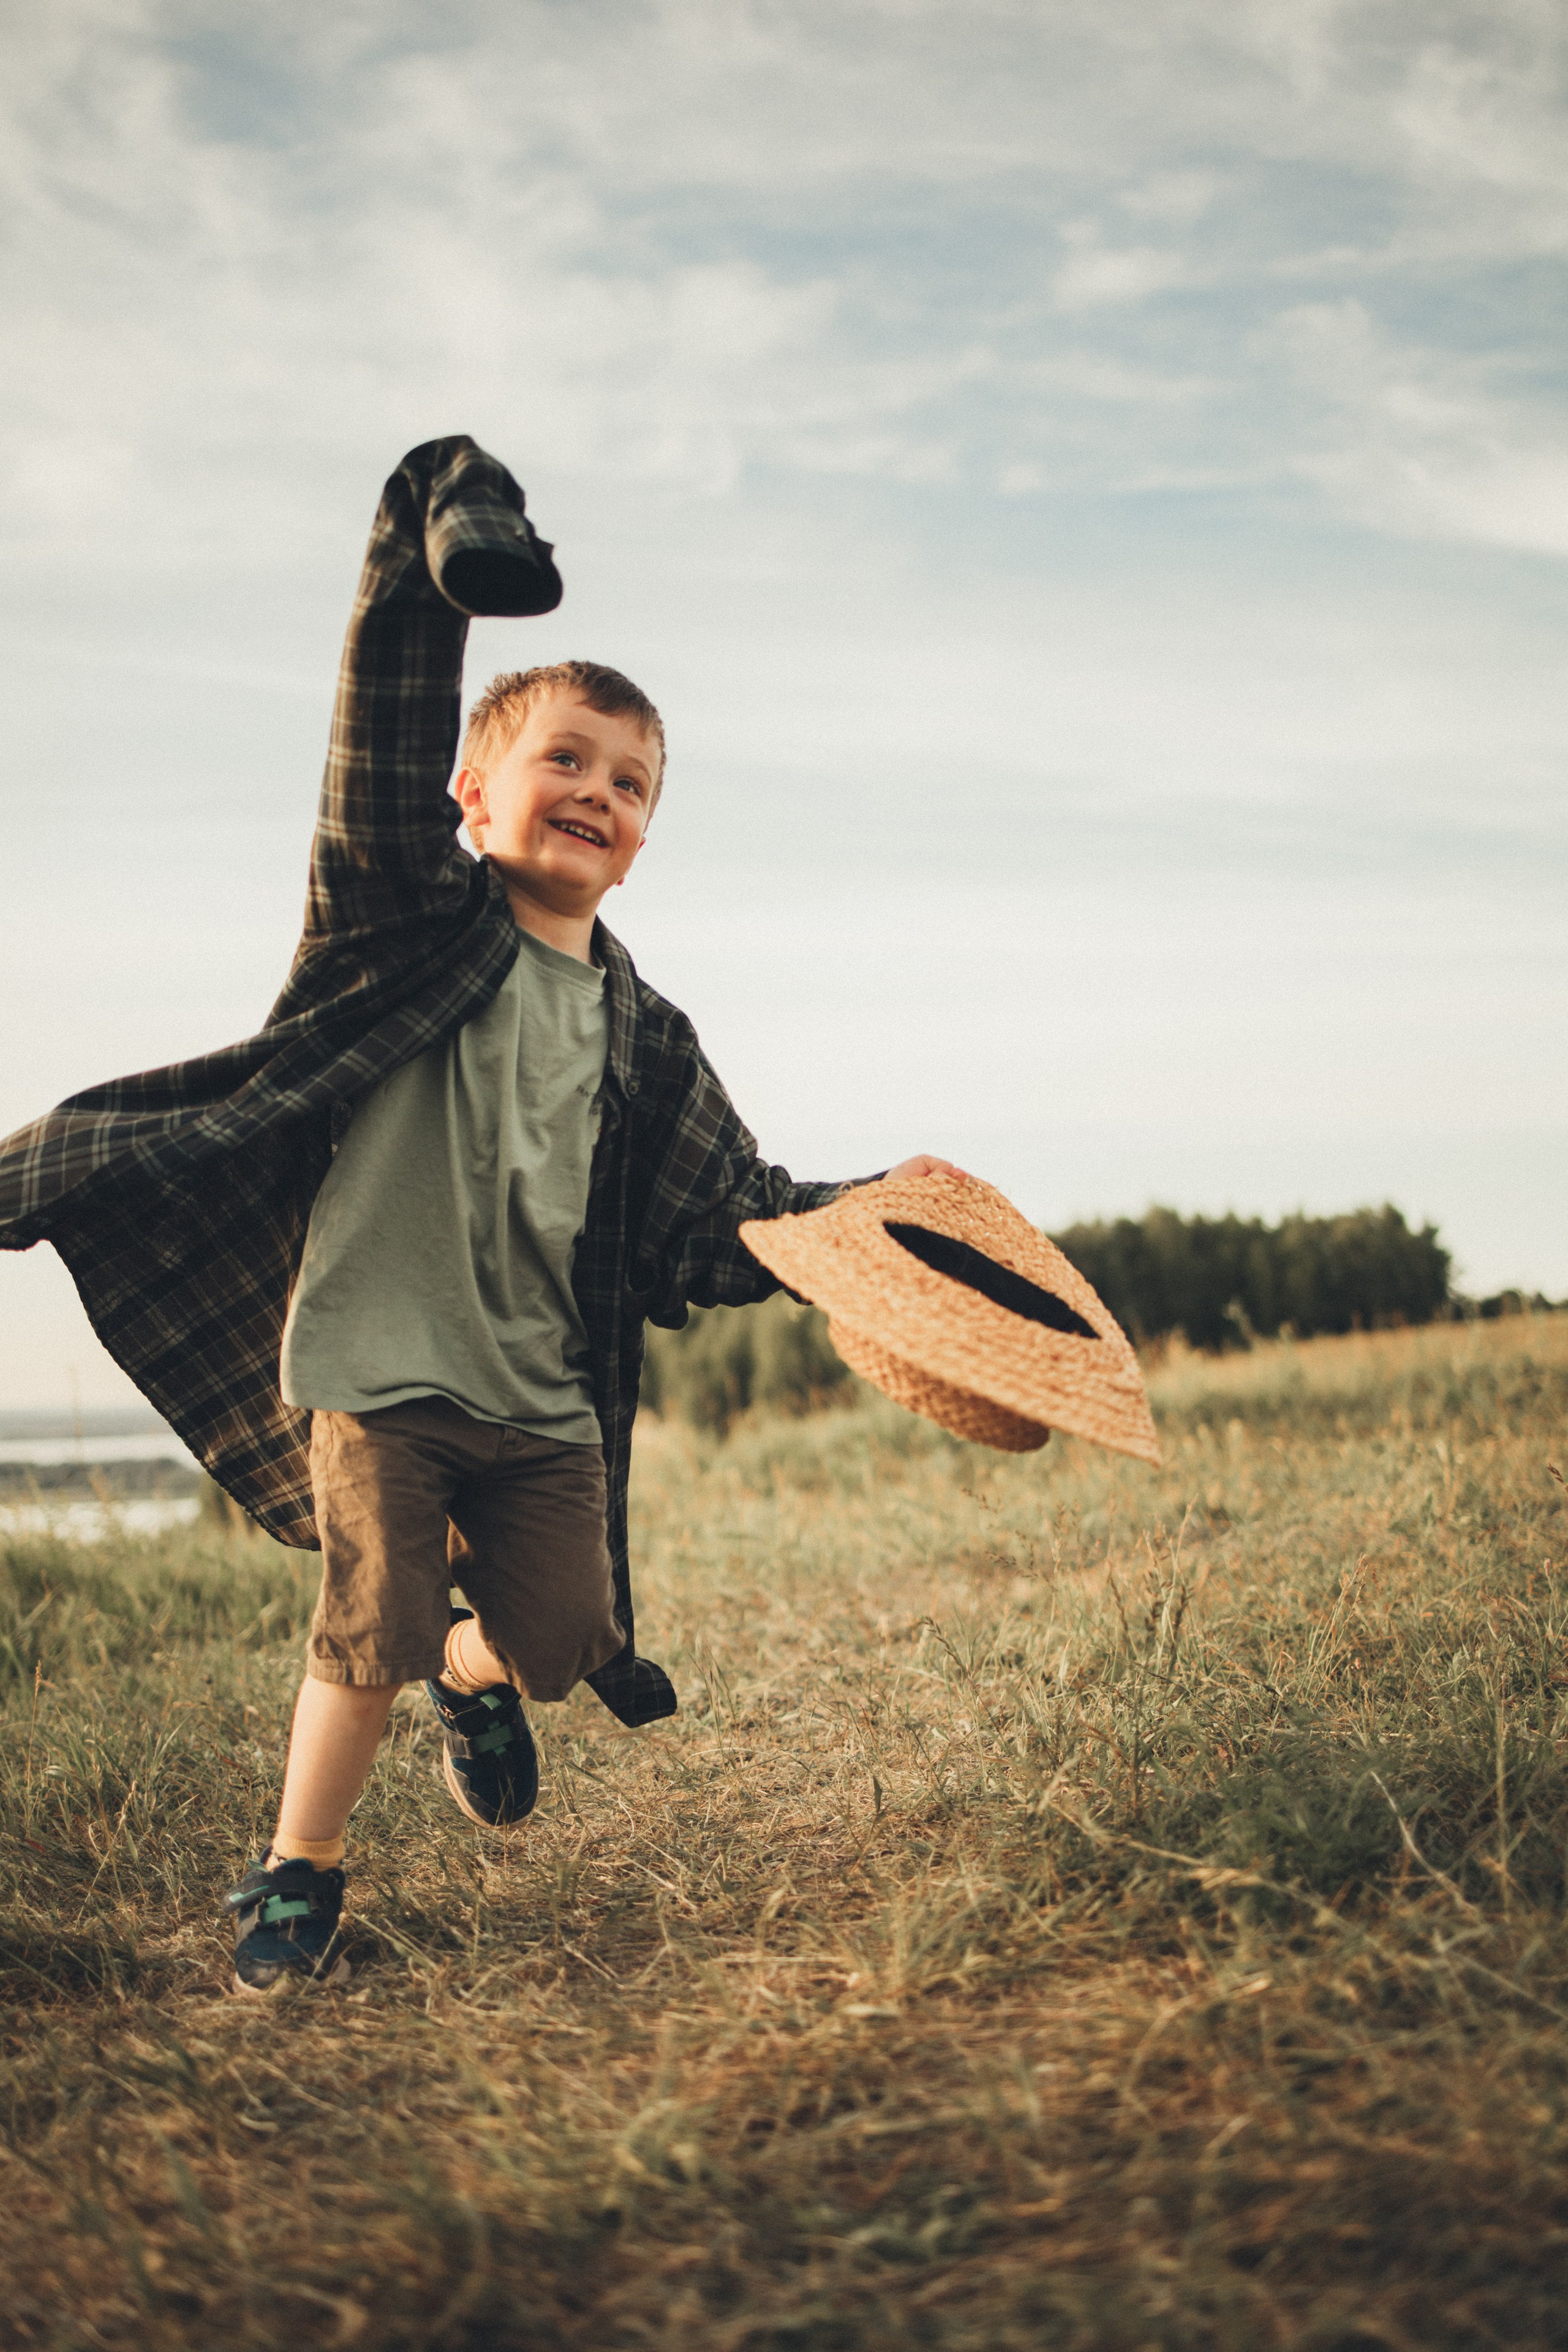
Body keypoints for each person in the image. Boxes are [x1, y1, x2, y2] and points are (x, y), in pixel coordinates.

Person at [0, 437, 962, 1991]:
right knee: (363, 1634)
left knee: (562, 1638)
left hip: (540, 1393)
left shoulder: (648, 1038)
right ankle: (294, 1880)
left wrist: (876, 1216)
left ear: (647, 836)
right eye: (565, 760)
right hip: (375, 1362)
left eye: (630, 782)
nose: (597, 791)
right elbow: (374, 731)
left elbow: (722, 1222)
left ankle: (476, 1673)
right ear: (472, 793)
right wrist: (434, 531)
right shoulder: (398, 922)